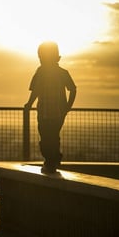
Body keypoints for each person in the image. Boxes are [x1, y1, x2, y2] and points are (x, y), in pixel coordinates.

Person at [24, 41, 76, 174]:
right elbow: (73, 89)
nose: (41, 60)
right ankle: (53, 159)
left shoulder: (42, 72)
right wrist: (68, 106)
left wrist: (29, 104)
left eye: (42, 57)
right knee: (51, 136)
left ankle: (50, 160)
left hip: (49, 113)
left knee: (47, 137)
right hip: (55, 113)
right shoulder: (60, 72)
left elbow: (35, 90)